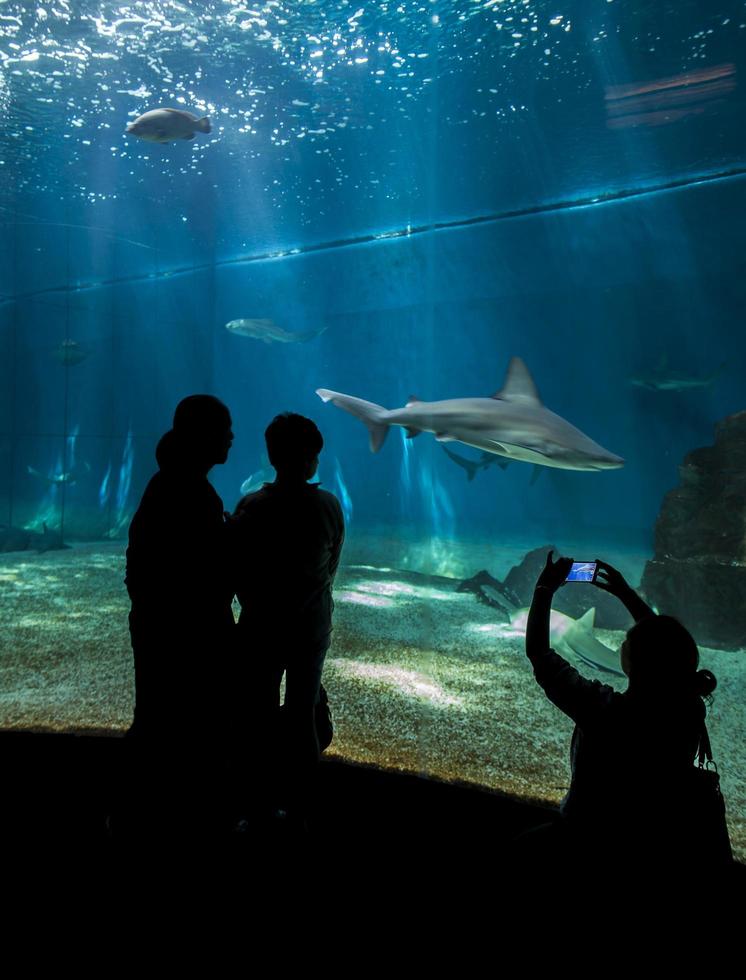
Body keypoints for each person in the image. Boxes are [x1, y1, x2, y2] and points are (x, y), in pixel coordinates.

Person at [522, 551, 729, 879]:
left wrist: (545, 588)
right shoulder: (688, 707)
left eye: (629, 642)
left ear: (630, 663)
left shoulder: (603, 711)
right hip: (657, 848)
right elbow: (666, 649)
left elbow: (540, 655)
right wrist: (626, 593)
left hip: (586, 842)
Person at [122, 394, 236, 837]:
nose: (231, 436)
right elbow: (201, 573)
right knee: (183, 731)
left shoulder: (170, 482)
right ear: (204, 435)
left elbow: (138, 568)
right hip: (188, 638)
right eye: (224, 428)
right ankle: (175, 826)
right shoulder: (188, 491)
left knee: (155, 722)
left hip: (158, 629)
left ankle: (140, 818)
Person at [230, 412, 345, 828]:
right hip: (311, 628)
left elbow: (236, 569)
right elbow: (331, 567)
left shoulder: (251, 506)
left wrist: (257, 605)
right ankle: (302, 808)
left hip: (260, 626)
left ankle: (255, 807)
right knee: (301, 716)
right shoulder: (329, 506)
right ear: (313, 460)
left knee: (256, 716)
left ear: (271, 457)